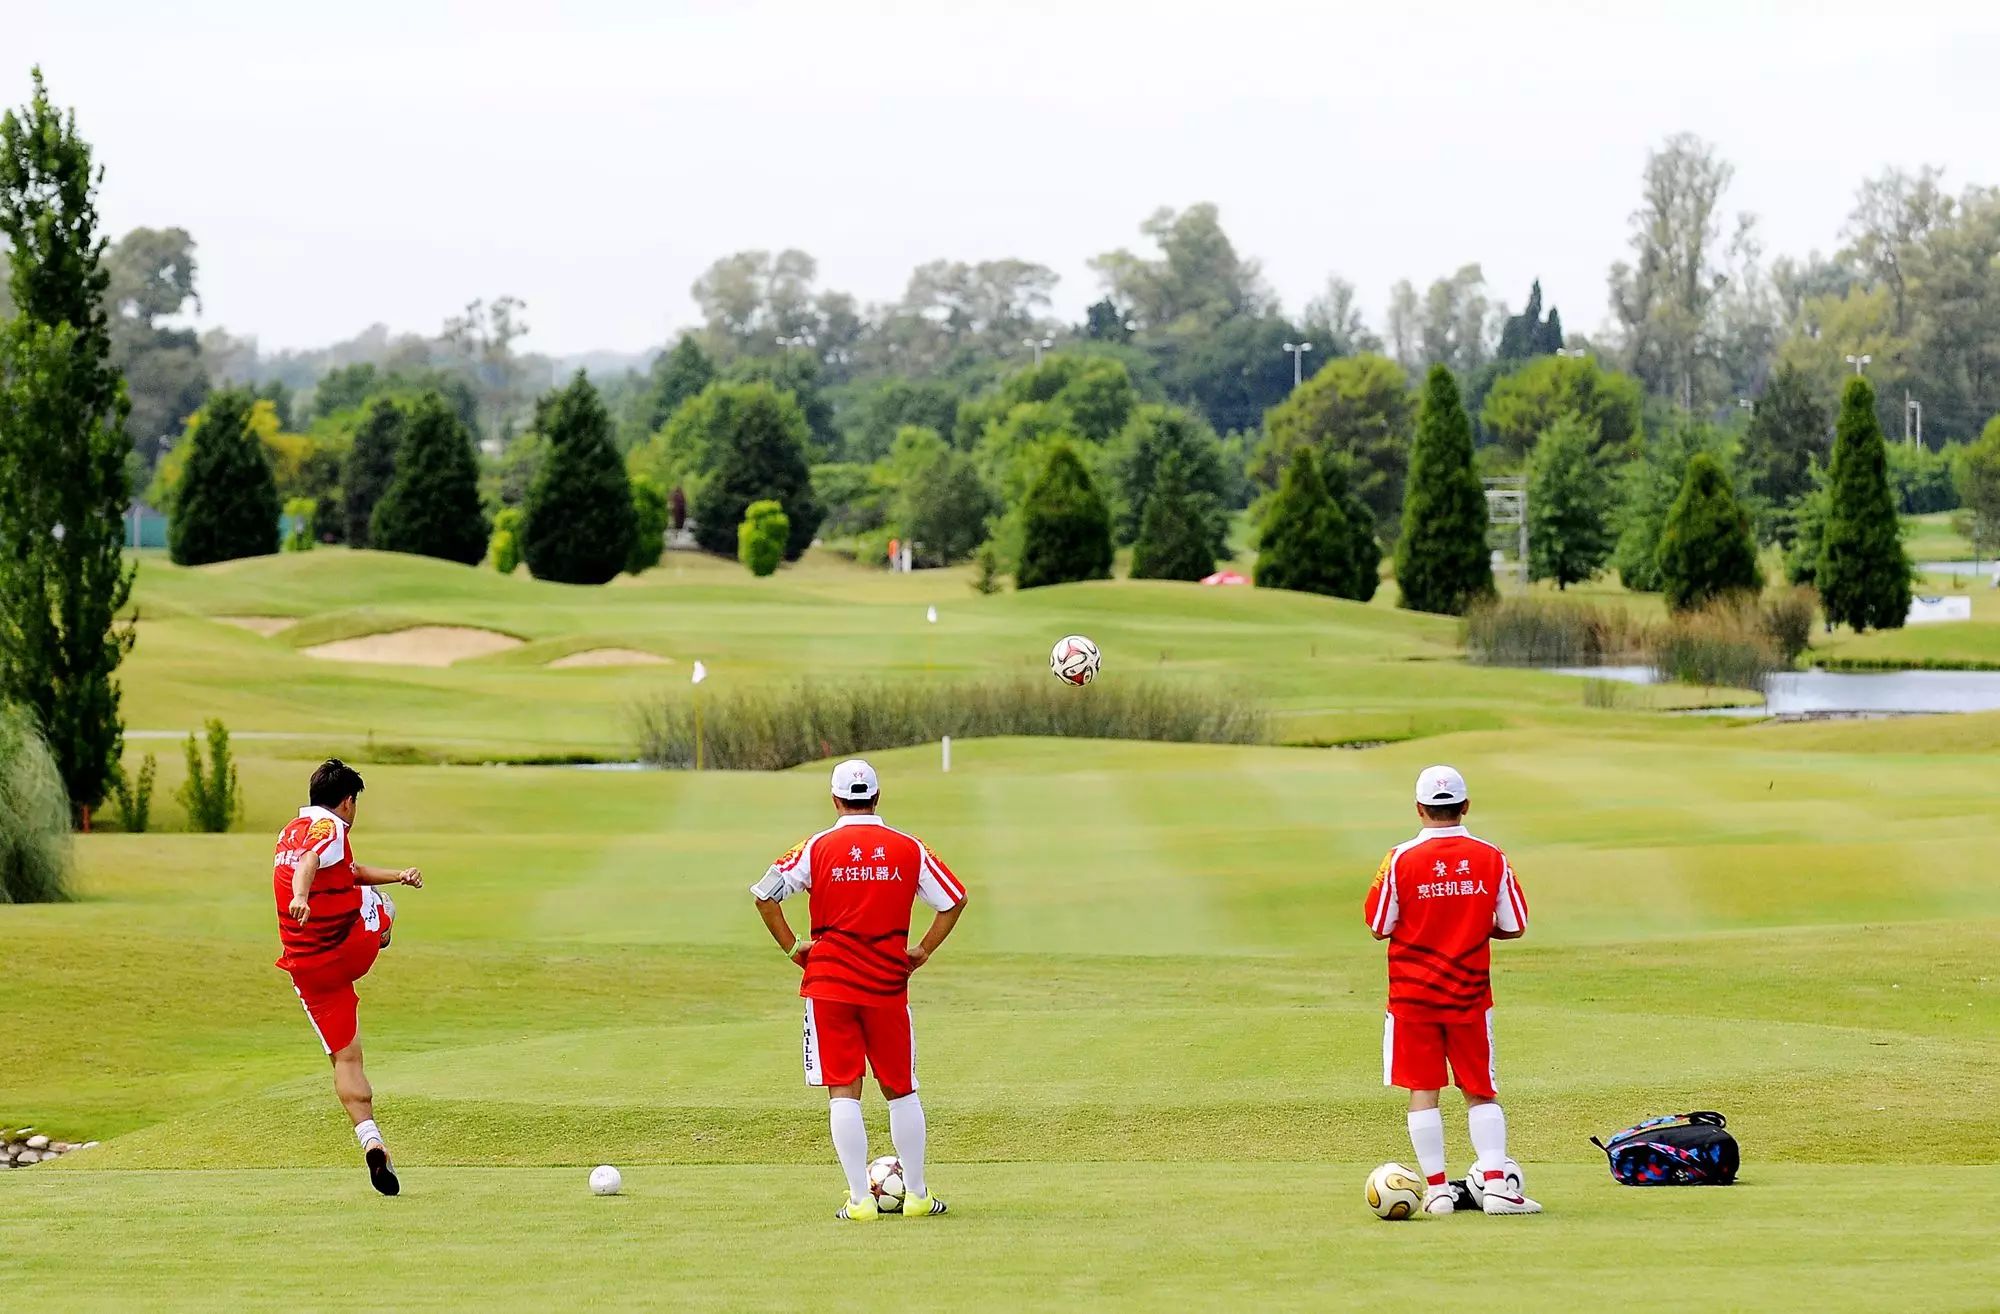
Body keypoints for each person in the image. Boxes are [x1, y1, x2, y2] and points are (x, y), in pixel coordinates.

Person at [751, 758, 968, 1221]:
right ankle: (917, 1196)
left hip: (829, 983)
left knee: (843, 1091)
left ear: (835, 799)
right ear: (876, 796)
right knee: (901, 1090)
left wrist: (795, 950)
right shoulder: (909, 847)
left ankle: (858, 1201)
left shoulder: (815, 847)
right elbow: (954, 899)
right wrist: (922, 951)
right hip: (888, 983)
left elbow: (764, 895)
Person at [1363, 764, 1539, 1216]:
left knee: (1423, 1090)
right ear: (1465, 806)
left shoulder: (1399, 859)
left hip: (1411, 998)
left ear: (1419, 809)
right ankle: (1497, 1187)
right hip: (1470, 995)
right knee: (1480, 1090)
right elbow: (1515, 925)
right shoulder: (1491, 856)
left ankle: (1439, 1191)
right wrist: (1472, 928)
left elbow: (1379, 925)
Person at [273, 759, 425, 1196]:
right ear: (347, 801)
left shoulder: (288, 831)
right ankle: (384, 931)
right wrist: (303, 895)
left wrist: (398, 874)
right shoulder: (332, 830)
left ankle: (371, 1139)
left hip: (307, 968)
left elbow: (345, 872)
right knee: (381, 905)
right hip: (349, 948)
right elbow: (309, 862)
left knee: (346, 1059)